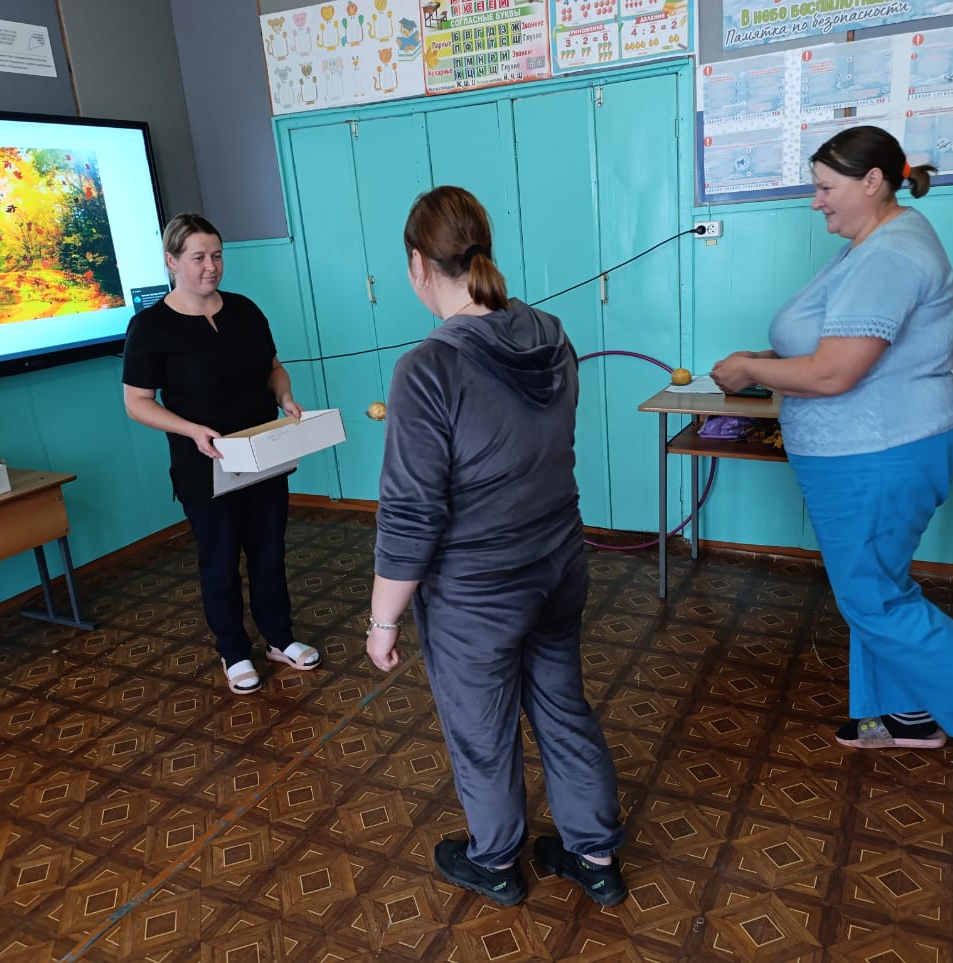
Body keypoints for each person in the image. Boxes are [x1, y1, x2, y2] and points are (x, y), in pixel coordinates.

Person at [710, 126, 953, 793]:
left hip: (877, 450)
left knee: (872, 597)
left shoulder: (890, 254)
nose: (816, 202)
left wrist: (751, 368)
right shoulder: (876, 242)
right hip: (868, 448)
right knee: (877, 587)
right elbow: (830, 349)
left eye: (825, 187)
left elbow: (835, 372)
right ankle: (906, 713)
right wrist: (770, 363)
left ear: (872, 181)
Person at [365, 186, 627, 906]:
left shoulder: (427, 368)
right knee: (562, 705)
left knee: (482, 732)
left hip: (477, 593)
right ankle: (595, 856)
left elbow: (411, 514)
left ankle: (497, 862)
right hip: (558, 564)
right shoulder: (549, 333)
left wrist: (383, 620)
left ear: (418, 264)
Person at [122, 213, 320, 695]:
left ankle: (280, 638)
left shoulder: (245, 310)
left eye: (216, 255)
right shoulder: (150, 326)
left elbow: (274, 368)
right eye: (198, 258)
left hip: (263, 455)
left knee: (269, 553)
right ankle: (234, 651)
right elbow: (137, 402)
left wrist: (285, 397)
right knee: (221, 561)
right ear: (172, 261)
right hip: (205, 465)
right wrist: (190, 429)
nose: (210, 266)